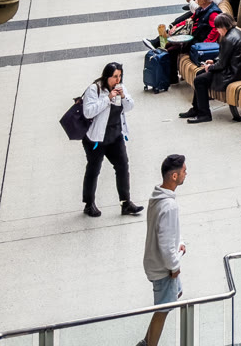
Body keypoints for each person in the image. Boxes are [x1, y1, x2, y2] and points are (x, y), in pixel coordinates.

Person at [80, 62, 144, 217]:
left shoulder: (121, 88)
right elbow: (88, 112)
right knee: (94, 169)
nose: (118, 79)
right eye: (115, 76)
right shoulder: (94, 89)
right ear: (107, 76)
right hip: (97, 139)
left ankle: (125, 203)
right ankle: (89, 204)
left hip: (115, 136)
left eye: (120, 76)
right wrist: (108, 98)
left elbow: (129, 106)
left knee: (122, 167)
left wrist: (123, 97)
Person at [141, 154, 188, 346]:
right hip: (164, 269)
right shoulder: (169, 206)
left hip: (159, 264)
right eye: (184, 171)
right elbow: (166, 245)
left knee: (174, 296)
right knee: (162, 311)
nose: (186, 174)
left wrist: (178, 244)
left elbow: (167, 235)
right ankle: (149, 343)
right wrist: (174, 267)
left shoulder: (157, 198)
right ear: (174, 176)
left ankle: (146, 342)